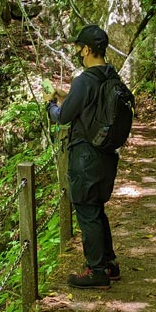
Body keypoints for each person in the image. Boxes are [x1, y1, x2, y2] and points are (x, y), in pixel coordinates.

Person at [45, 25, 123, 290]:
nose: (79, 54)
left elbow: (63, 117)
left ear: (87, 49)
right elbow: (93, 106)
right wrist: (69, 99)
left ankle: (96, 271)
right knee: (96, 208)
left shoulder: (85, 79)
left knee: (87, 210)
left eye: (79, 49)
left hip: (85, 155)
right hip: (106, 153)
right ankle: (109, 263)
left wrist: (51, 106)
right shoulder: (112, 76)